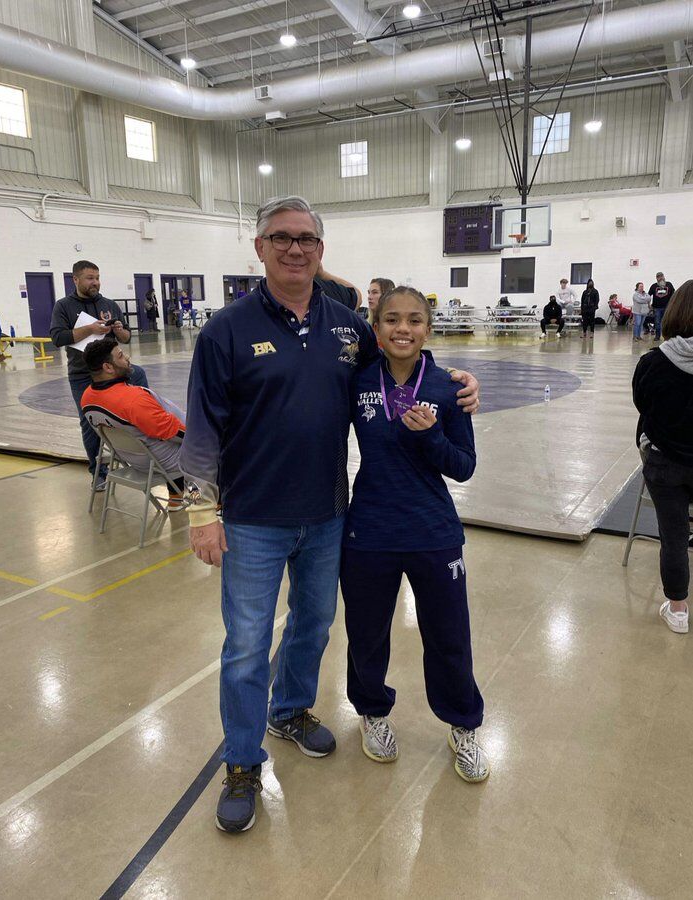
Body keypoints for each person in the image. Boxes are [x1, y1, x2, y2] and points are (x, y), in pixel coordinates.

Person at [179, 195, 480, 835]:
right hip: (252, 517)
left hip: (328, 516)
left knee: (313, 627)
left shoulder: (348, 328)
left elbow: (400, 363)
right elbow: (202, 426)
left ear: (321, 250)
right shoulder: (225, 330)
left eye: (306, 239)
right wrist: (202, 510)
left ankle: (289, 710)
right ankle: (242, 763)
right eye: (281, 238)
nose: (294, 249)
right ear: (260, 247)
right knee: (246, 646)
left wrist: (456, 382)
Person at [341, 286, 488, 782]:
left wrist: (431, 437)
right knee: (366, 633)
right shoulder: (357, 380)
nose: (402, 328)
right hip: (370, 531)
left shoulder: (449, 387)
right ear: (376, 327)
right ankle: (372, 712)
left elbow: (464, 467)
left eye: (414, 320)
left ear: (428, 328)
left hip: (433, 531)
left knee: (449, 636)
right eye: (391, 319)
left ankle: (463, 724)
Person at [50, 260, 148, 490]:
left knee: (139, 378)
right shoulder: (63, 306)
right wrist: (90, 329)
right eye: (89, 278)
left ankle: (145, 452)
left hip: (114, 372)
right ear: (76, 279)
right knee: (89, 423)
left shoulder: (109, 304)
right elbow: (58, 338)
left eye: (97, 277)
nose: (95, 282)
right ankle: (98, 472)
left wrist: (119, 331)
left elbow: (126, 338)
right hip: (83, 374)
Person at [632, 281, 693, 634]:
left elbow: (642, 405)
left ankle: (678, 610)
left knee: (673, 537)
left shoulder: (653, 363)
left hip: (664, 464)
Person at [80, 338, 186, 510]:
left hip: (136, 459)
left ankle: (176, 496)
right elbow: (175, 432)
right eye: (121, 356)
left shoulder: (87, 397)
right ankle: (218, 501)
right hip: (163, 462)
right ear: (108, 367)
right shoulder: (133, 400)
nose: (127, 358)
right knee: (217, 443)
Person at [648, 272, 676, 341]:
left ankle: (666, 336)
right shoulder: (653, 286)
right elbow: (648, 296)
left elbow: (674, 294)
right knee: (657, 323)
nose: (660, 278)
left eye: (661, 276)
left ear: (664, 276)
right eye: (658, 277)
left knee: (666, 323)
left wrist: (672, 304)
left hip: (667, 308)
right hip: (657, 308)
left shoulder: (669, 284)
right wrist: (649, 305)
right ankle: (657, 336)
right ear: (656, 278)